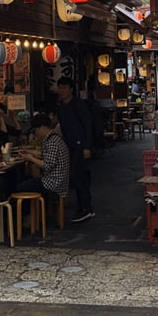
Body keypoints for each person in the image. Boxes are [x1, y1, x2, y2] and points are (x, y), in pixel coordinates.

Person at [55, 76, 94, 222]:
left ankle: (85, 208)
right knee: (77, 176)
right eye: (60, 87)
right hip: (69, 145)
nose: (62, 90)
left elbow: (87, 124)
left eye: (65, 88)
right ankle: (85, 207)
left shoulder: (78, 104)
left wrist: (87, 146)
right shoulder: (60, 106)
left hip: (80, 145)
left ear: (71, 89)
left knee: (77, 176)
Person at [16, 113, 70, 199]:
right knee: (24, 179)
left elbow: (47, 165)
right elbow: (46, 155)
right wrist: (29, 152)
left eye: (35, 131)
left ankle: (24, 211)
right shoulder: (54, 138)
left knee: (20, 187)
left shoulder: (52, 142)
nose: (34, 134)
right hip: (59, 180)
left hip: (53, 182)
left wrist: (31, 158)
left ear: (43, 127)